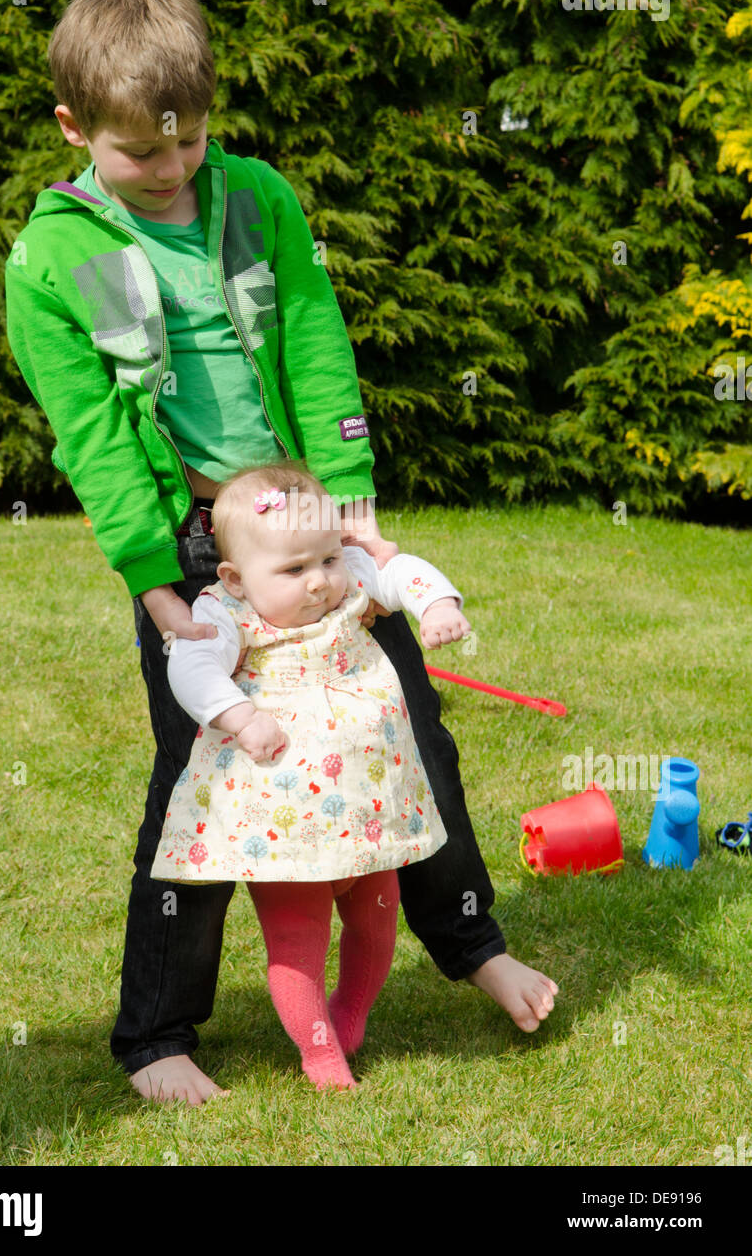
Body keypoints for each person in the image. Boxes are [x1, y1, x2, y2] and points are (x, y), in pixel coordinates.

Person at [4, 0, 558, 1107]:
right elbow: (94, 434)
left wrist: (347, 501)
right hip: (198, 547)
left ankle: (474, 944)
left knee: (408, 728)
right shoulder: (51, 260)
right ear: (75, 128)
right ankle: (157, 1036)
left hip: (306, 524)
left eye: (188, 143)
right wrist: (158, 578)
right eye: (139, 154)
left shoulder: (258, 198)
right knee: (201, 776)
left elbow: (313, 338)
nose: (170, 173)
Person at [151, 462, 469, 1091]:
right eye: (294, 571)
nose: (321, 581)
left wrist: (436, 603)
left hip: (373, 802)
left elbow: (401, 571)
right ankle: (318, 1050)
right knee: (298, 940)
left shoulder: (349, 579)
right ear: (235, 577)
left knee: (378, 920)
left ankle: (349, 1014)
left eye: (327, 558)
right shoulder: (226, 614)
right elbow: (190, 665)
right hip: (284, 824)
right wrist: (239, 716)